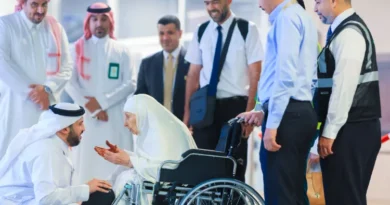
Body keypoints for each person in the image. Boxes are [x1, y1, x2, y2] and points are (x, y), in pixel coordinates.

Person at [238, 0, 318, 204]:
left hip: (287, 117)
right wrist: (264, 111)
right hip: (298, 112)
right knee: (293, 193)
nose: (258, 4)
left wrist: (272, 125)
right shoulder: (301, 16)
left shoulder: (286, 18)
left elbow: (285, 75)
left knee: (279, 195)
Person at [184, 0, 264, 182]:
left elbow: (255, 75)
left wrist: (250, 114)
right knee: (201, 170)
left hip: (235, 109)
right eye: (207, 3)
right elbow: (193, 74)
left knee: (232, 169)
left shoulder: (247, 29)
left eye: (215, 2)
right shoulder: (201, 30)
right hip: (204, 110)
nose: (211, 7)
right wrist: (187, 115)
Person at [314, 0, 381, 204]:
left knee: (345, 199)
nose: (315, 8)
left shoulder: (349, 33)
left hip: (352, 128)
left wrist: (329, 132)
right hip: (352, 127)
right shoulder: (341, 31)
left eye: (318, 2)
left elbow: (344, 88)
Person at [65, 2, 137, 185]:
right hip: (86, 119)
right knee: (86, 166)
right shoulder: (75, 49)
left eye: (103, 19)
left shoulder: (122, 50)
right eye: (94, 19)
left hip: (115, 119)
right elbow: (69, 83)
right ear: (88, 23)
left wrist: (102, 104)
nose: (99, 23)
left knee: (117, 168)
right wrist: (94, 109)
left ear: (110, 22)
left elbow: (131, 83)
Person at [0, 103, 115, 205]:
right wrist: (85, 189)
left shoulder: (58, 145)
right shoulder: (46, 151)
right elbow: (46, 199)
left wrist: (82, 193)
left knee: (102, 194)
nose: (84, 128)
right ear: (64, 129)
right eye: (80, 124)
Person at [0, 0, 72, 158]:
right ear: (23, 3)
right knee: (11, 156)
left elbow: (67, 66)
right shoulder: (6, 24)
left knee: (46, 159)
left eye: (44, 4)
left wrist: (47, 89)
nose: (40, 10)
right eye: (34, 5)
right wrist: (32, 93)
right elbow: (2, 63)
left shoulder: (55, 28)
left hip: (48, 106)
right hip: (16, 105)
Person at [94, 94, 197, 205]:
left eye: (128, 117)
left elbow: (166, 169)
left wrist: (129, 161)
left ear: (142, 114)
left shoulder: (163, 133)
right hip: (166, 180)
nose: (125, 123)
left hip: (174, 185)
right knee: (122, 170)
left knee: (126, 178)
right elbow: (152, 160)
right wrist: (124, 157)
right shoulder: (153, 128)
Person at [135, 15, 189, 121]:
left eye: (170, 33)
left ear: (180, 33)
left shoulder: (192, 62)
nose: (165, 38)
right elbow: (140, 96)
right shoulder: (147, 64)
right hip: (156, 126)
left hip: (185, 126)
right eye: (161, 33)